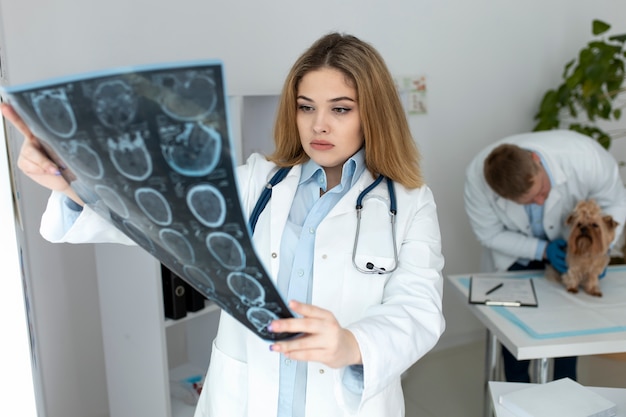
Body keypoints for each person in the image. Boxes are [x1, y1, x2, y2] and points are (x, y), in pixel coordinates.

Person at [3, 32, 446, 417]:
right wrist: (66, 180)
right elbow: (154, 212)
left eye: (341, 109)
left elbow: (419, 309)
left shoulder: (408, 203)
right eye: (306, 106)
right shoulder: (257, 180)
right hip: (245, 395)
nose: (319, 124)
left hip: (345, 401)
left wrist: (351, 345)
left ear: (373, 113)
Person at [464, 130, 626, 383]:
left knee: (568, 328)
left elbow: (616, 203)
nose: (540, 202)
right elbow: (490, 234)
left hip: (569, 247)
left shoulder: (585, 157)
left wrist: (599, 250)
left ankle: (564, 395)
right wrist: (542, 250)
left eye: (542, 191)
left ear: (536, 160)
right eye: (529, 201)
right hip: (515, 253)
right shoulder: (478, 179)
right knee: (515, 336)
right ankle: (518, 398)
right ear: (503, 197)